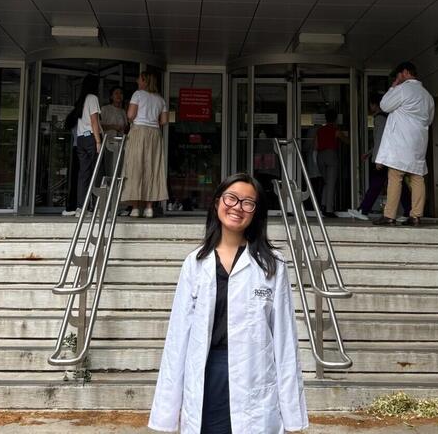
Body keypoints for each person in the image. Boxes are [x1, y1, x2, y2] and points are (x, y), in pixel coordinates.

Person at [148, 173, 308, 434]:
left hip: (254, 376)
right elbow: (178, 338)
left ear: (256, 213)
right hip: (207, 375)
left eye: (248, 202)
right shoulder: (195, 263)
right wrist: (168, 410)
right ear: (217, 203)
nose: (237, 207)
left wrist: (292, 413)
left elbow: (285, 339)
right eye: (231, 198)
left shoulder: (272, 265)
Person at [373, 62, 435, 227]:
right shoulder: (427, 96)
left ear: (405, 72)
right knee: (417, 178)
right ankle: (416, 216)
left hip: (401, 142)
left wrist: (393, 87)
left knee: (395, 177)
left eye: (398, 75)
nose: (397, 79)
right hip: (419, 142)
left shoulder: (402, 90)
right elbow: (429, 120)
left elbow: (384, 106)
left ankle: (389, 216)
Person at [347, 93, 410, 221]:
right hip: (388, 157)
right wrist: (369, 152)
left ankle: (363, 210)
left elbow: (381, 139)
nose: (370, 107)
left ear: (374, 105)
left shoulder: (380, 119)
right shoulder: (387, 118)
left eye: (370, 104)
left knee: (376, 184)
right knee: (399, 184)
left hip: (383, 158)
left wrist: (379, 158)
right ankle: (409, 210)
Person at [121, 71, 169, 218]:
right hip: (154, 134)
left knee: (135, 167)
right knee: (152, 168)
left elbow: (130, 115)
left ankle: (135, 208)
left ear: (144, 81)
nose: (137, 81)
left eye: (139, 78)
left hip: (139, 131)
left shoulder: (138, 94)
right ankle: (149, 207)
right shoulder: (160, 100)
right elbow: (164, 121)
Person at [63, 75, 102, 217]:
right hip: (91, 138)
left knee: (83, 174)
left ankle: (81, 207)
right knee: (96, 172)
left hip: (80, 139)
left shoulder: (81, 100)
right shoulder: (93, 98)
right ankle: (95, 207)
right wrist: (98, 141)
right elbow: (94, 121)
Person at [315, 108, 348, 218]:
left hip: (320, 156)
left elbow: (315, 145)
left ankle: (323, 205)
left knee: (326, 182)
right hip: (331, 155)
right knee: (331, 183)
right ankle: (329, 209)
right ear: (335, 119)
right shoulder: (335, 130)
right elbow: (347, 141)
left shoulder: (319, 130)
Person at [100, 86, 128, 177]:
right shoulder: (105, 109)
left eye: (121, 93)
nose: (119, 95)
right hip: (109, 143)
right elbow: (100, 126)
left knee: (120, 169)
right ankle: (110, 188)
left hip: (122, 144)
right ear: (111, 96)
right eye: (116, 93)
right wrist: (113, 127)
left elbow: (126, 128)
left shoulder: (123, 111)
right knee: (110, 168)